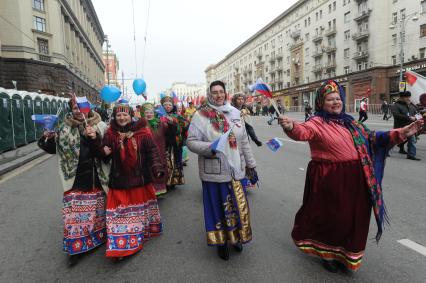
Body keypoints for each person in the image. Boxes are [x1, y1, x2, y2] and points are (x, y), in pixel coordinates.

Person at [279, 80, 423, 272]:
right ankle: (327, 252)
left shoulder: (351, 123)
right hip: (330, 178)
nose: (335, 102)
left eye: (338, 98)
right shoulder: (316, 122)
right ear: (321, 103)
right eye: (330, 99)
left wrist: (403, 132)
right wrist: (290, 127)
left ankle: (346, 252)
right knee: (333, 217)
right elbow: (302, 132)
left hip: (356, 177)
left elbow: (373, 138)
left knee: (353, 218)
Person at [187, 81, 257, 261]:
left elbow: (244, 142)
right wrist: (212, 146)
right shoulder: (201, 115)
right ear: (209, 95)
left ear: (226, 93)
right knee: (217, 207)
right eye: (214, 92)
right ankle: (221, 242)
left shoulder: (235, 113)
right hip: (214, 171)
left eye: (221, 92)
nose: (218, 95)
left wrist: (251, 165)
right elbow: (191, 142)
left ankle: (236, 238)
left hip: (236, 169)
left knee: (237, 207)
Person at [38, 96, 109, 266]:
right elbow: (56, 149)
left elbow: (105, 152)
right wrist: (46, 139)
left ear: (88, 107)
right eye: (74, 107)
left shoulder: (100, 125)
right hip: (75, 179)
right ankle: (75, 249)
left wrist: (93, 137)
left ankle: (96, 240)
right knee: (74, 217)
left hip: (96, 177)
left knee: (96, 215)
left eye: (81, 106)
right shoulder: (64, 127)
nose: (78, 110)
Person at [88, 104, 165, 260]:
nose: (122, 118)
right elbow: (102, 154)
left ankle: (133, 240)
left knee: (136, 217)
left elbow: (152, 152)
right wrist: (95, 141)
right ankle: (121, 246)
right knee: (118, 216)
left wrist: (157, 168)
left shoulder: (142, 132)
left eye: (125, 115)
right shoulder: (110, 134)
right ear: (114, 117)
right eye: (118, 115)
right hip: (119, 182)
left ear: (131, 116)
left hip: (139, 181)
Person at [140, 102, 177, 195]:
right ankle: (149, 191)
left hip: (159, 150)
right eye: (147, 113)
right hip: (145, 153)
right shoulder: (140, 125)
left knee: (159, 169)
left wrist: (172, 123)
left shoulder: (160, 123)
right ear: (143, 113)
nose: (149, 115)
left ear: (154, 113)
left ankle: (159, 190)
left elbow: (171, 133)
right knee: (148, 170)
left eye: (151, 113)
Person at [161, 95, 188, 189]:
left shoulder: (178, 116)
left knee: (175, 161)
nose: (167, 106)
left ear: (173, 106)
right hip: (163, 143)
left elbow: (186, 125)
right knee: (166, 162)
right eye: (165, 105)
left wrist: (174, 121)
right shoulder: (158, 115)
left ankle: (174, 181)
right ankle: (165, 182)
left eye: (169, 104)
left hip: (176, 144)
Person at [391, 91, 421, 160]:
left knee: (412, 140)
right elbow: (396, 115)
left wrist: (417, 117)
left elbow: (417, 113)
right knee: (394, 140)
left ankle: (411, 155)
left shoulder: (411, 105)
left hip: (410, 127)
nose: (408, 98)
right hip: (400, 127)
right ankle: (386, 151)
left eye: (409, 97)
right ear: (402, 98)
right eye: (406, 97)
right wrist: (409, 118)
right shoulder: (396, 105)